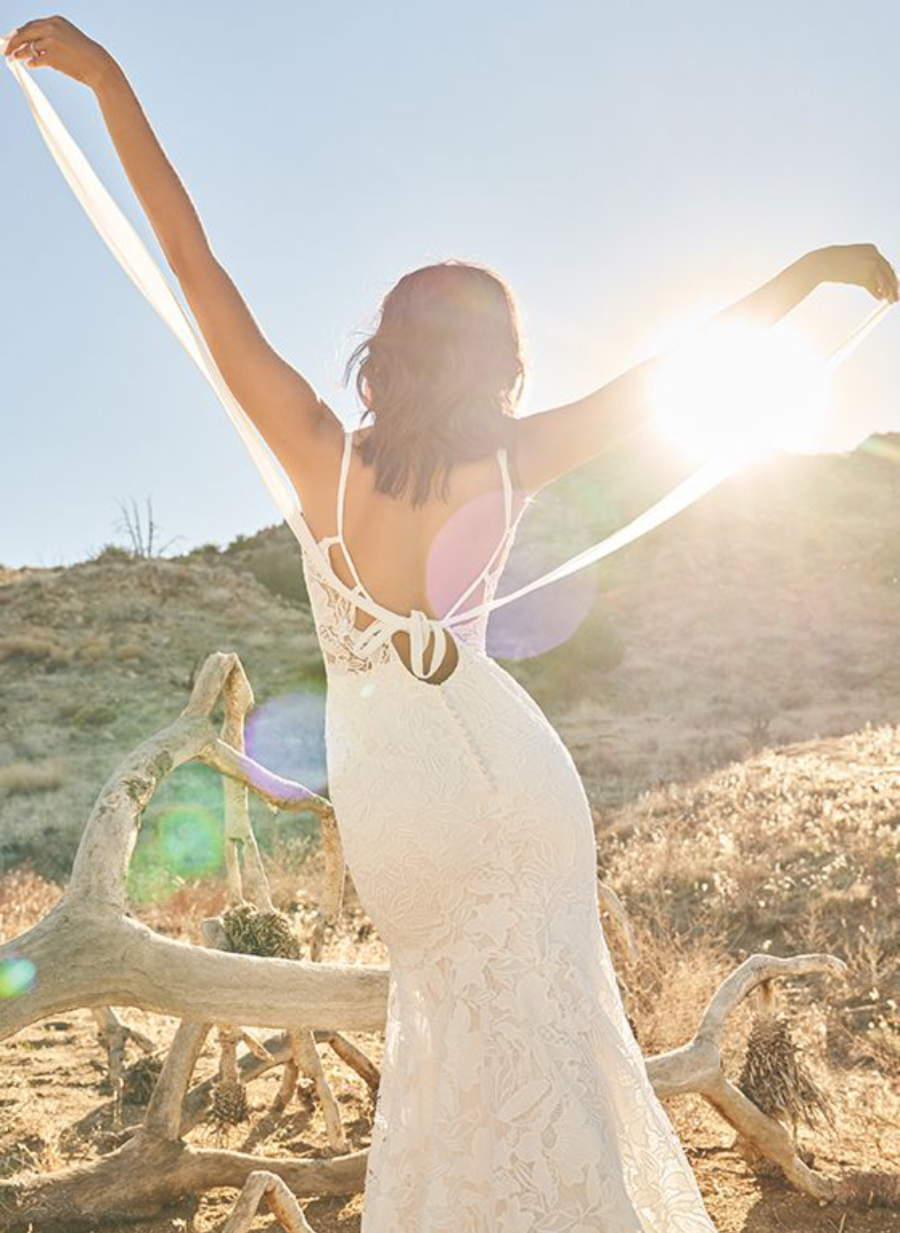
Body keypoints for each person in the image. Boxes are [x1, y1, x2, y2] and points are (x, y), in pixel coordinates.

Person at [6, 18, 897, 1231]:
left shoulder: (314, 450)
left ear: (385, 358)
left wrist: (109, 84)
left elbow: (194, 266)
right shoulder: (513, 451)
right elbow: (677, 373)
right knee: (553, 1046)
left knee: (453, 1040)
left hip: (399, 799)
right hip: (509, 774)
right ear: (497, 364)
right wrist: (812, 272)